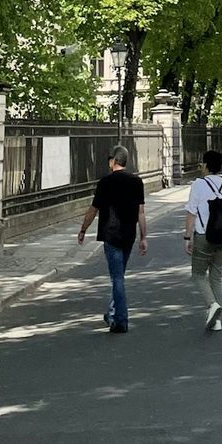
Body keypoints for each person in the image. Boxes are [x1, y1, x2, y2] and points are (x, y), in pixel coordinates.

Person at [78, 143, 147, 334]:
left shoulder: (105, 183)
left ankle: (121, 320)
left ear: (114, 161)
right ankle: (112, 313)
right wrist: (144, 236)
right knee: (119, 277)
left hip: (110, 235)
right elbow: (141, 212)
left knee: (117, 278)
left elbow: (93, 209)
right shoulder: (137, 182)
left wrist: (83, 229)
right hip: (128, 235)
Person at [184, 148, 222, 332]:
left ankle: (212, 304)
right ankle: (217, 321)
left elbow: (191, 212)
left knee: (198, 274)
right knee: (217, 275)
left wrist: (187, 237)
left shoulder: (198, 185)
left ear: (206, 165)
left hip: (203, 236)